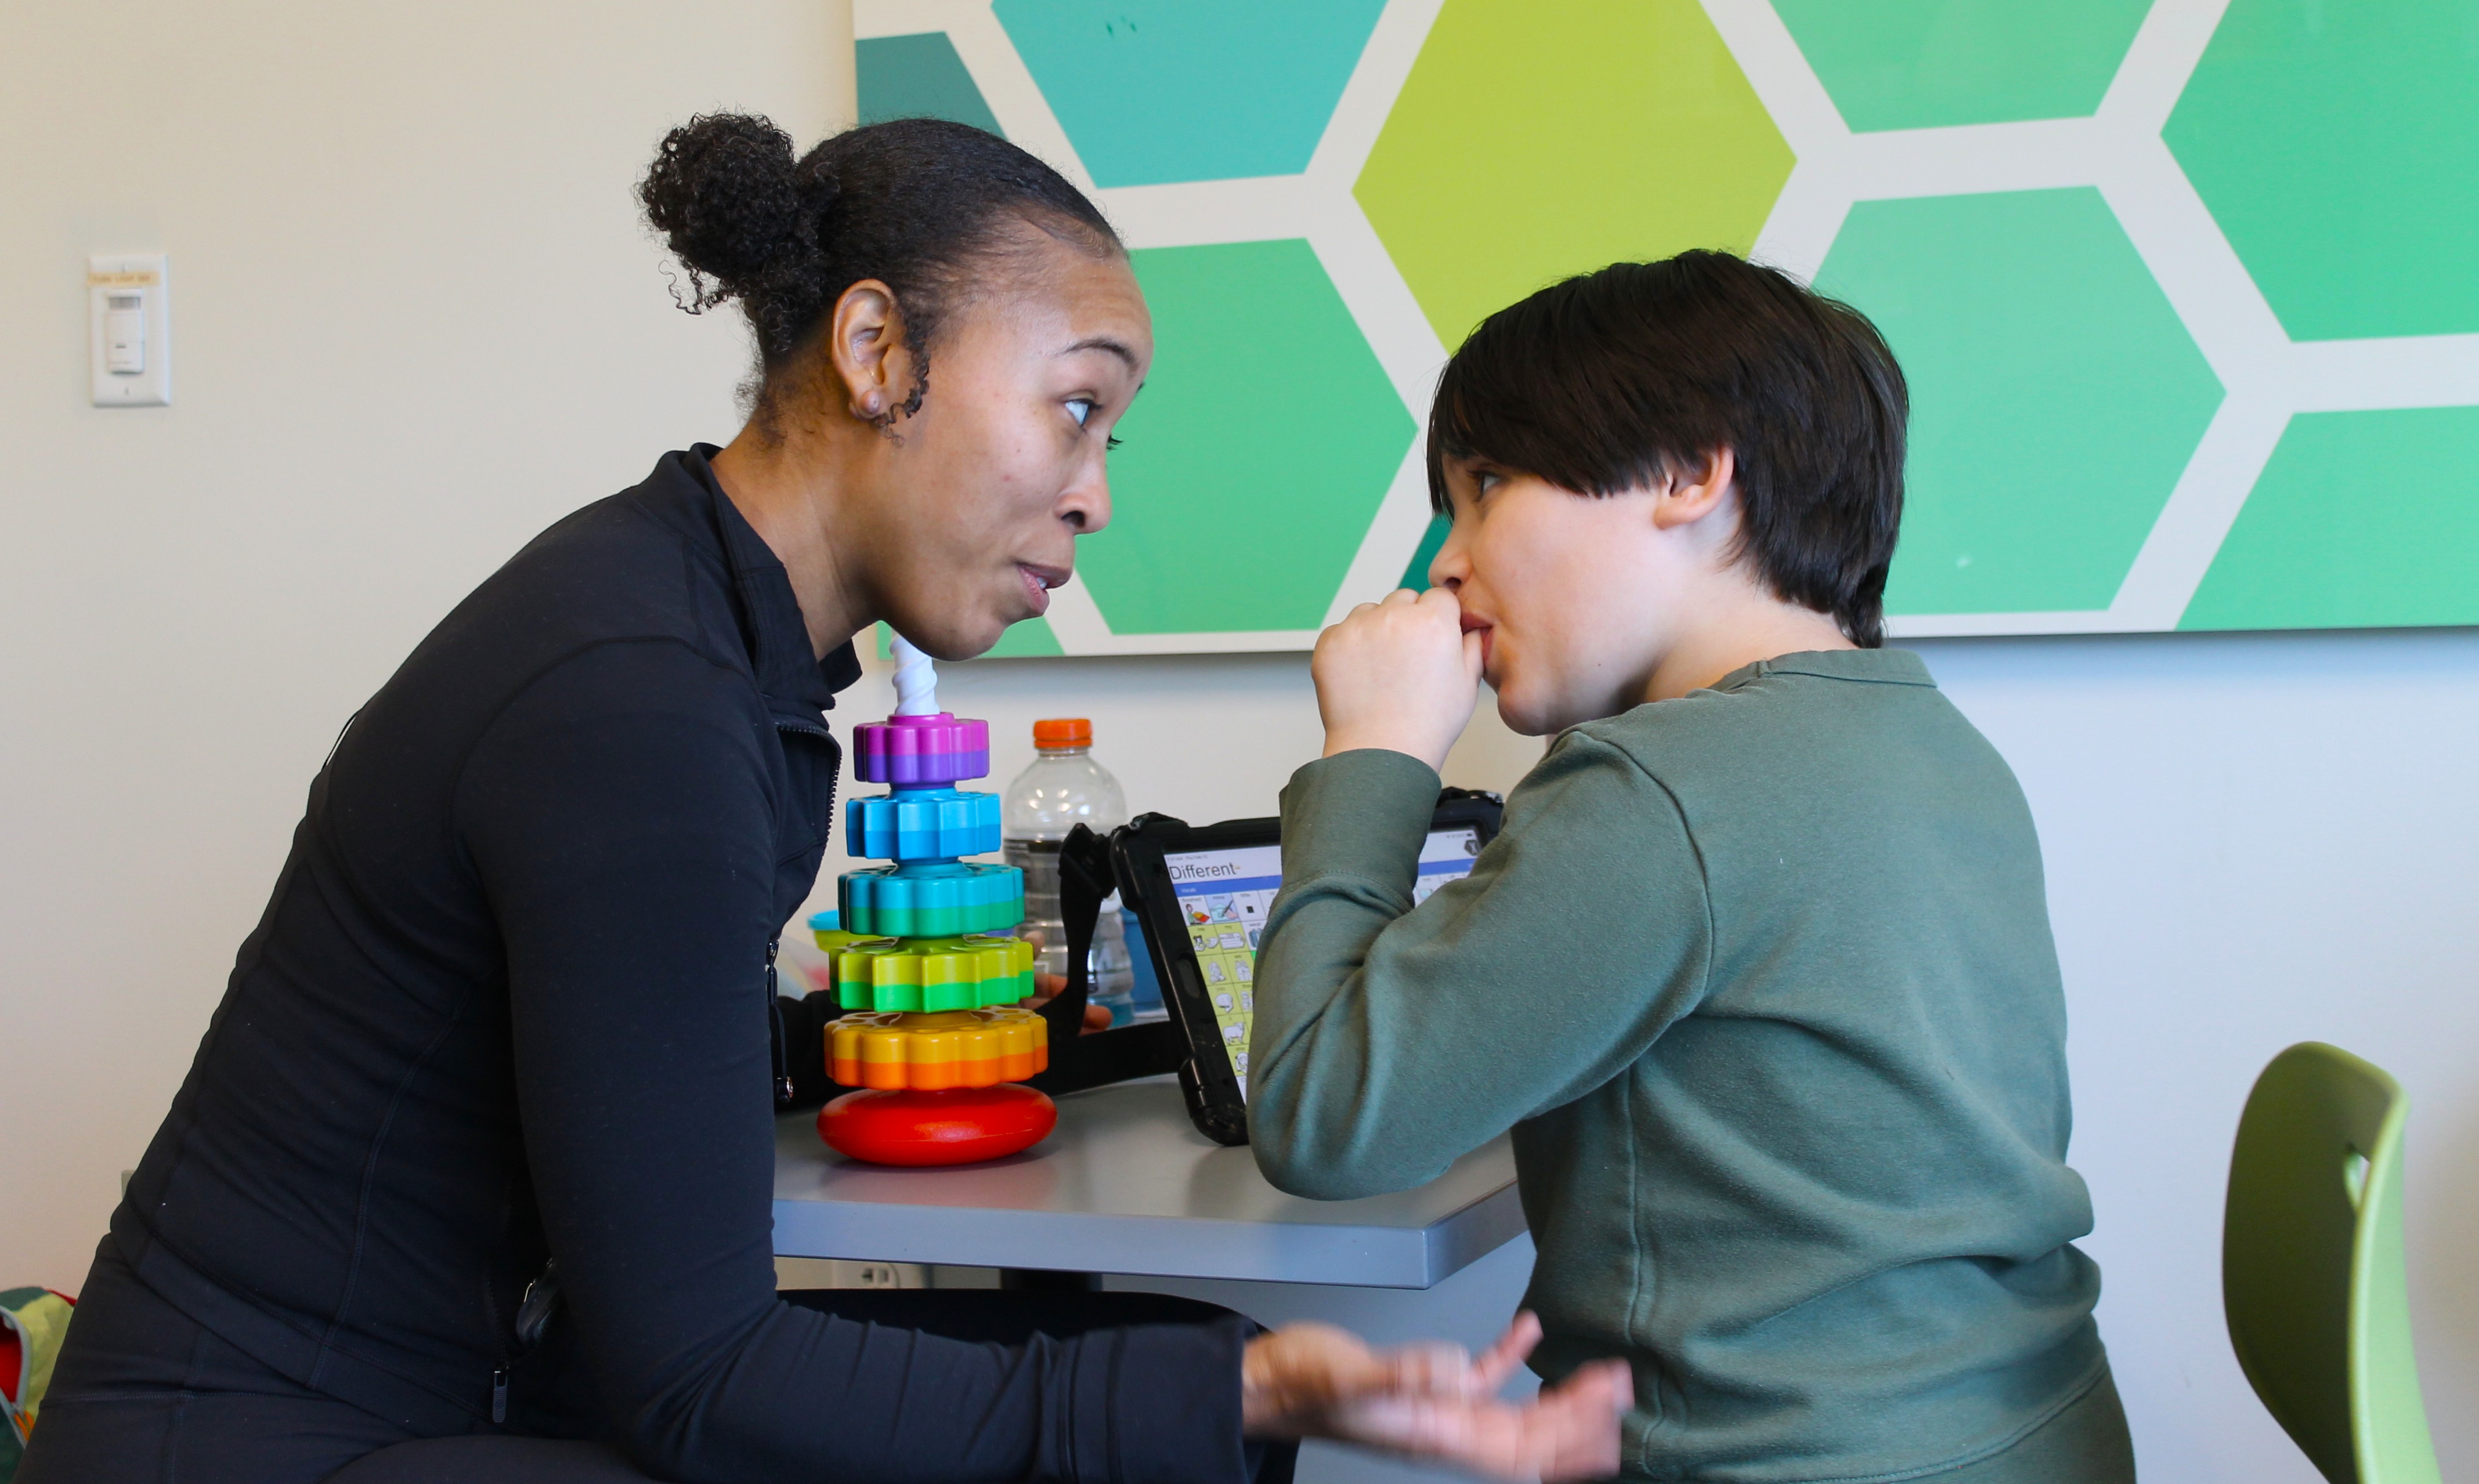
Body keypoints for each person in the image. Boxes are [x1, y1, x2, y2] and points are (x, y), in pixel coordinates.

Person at [24, 114, 1631, 1484]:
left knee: (1187, 1378)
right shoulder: (637, 699)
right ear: (877, 353)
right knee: (1196, 1403)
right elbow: (699, 1376)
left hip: (478, 1375)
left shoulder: (700, 636)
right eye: (1075, 406)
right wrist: (1247, 1393)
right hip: (286, 1440)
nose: (1098, 491)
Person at [1246, 252, 2137, 1483]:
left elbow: (1318, 1115)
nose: (1446, 560)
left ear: (1688, 472)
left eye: (1488, 485)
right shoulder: (1938, 743)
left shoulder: (1656, 785)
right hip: (2039, 1432)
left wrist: (1374, 751)